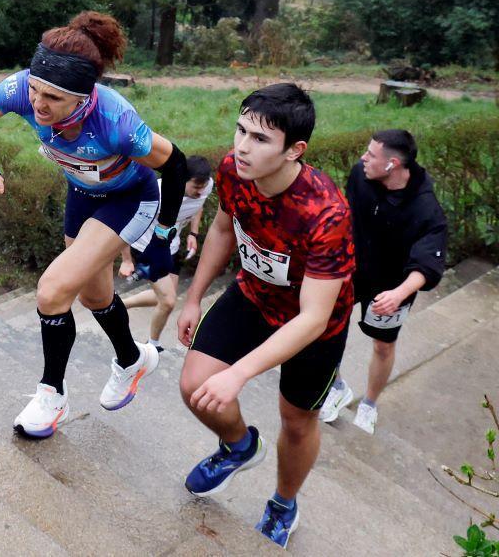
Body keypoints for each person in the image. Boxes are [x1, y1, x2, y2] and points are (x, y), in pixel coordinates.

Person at [0, 11, 191, 439]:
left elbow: (177, 164)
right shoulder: (23, 89)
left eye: (53, 98)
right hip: (83, 196)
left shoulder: (115, 122)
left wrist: (162, 234)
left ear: (83, 98)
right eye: (34, 90)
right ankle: (131, 358)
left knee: (52, 291)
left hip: (129, 198)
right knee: (92, 294)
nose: (37, 104)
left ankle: (52, 394)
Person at [176, 83, 355, 548]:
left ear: (295, 150)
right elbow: (221, 229)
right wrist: (193, 297)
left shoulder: (325, 213)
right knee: (194, 387)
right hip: (253, 296)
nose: (241, 146)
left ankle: (283, 502)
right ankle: (239, 446)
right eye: (240, 130)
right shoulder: (234, 170)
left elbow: (314, 317)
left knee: (295, 421)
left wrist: (238, 373)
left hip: (313, 327)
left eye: (259, 139)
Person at [318, 130, 446, 435]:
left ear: (392, 164)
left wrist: (398, 293)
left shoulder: (426, 209)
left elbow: (428, 263)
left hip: (392, 287)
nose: (363, 158)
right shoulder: (360, 177)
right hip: (351, 270)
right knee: (324, 328)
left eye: (371, 155)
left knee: (383, 347)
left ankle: (370, 404)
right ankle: (336, 386)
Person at [119, 156, 214, 350]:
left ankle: (119, 305)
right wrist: (126, 260)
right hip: (147, 247)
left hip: (171, 246)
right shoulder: (156, 193)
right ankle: (152, 345)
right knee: (169, 301)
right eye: (196, 186)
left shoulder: (206, 186)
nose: (201, 191)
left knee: (162, 297)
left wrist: (193, 233)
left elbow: (198, 206)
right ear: (181, 179)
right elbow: (124, 221)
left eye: (203, 187)